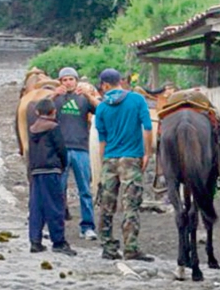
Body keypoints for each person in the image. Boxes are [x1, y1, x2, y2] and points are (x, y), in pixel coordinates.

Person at [94, 68, 154, 261]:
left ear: (104, 85)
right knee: (131, 205)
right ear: (120, 81)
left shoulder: (101, 108)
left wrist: (104, 160)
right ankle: (131, 247)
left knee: (106, 205)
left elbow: (101, 140)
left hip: (110, 158)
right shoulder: (137, 100)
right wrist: (147, 153)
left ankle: (108, 247)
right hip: (131, 158)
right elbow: (147, 127)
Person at [52, 66, 101, 240]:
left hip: (81, 149)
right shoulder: (56, 100)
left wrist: (88, 95)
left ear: (76, 80)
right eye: (64, 80)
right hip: (61, 150)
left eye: (71, 79)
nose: (68, 82)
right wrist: (52, 95)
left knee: (85, 190)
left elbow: (101, 109)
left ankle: (87, 226)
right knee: (59, 190)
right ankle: (56, 225)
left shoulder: (83, 99)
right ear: (60, 82)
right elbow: (39, 110)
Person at [26, 98, 76, 256]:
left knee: (36, 207)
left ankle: (35, 241)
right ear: (53, 112)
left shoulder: (32, 128)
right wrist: (62, 165)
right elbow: (61, 149)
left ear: (36, 112)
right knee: (55, 206)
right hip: (51, 170)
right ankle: (58, 242)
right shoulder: (53, 127)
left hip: (36, 171)